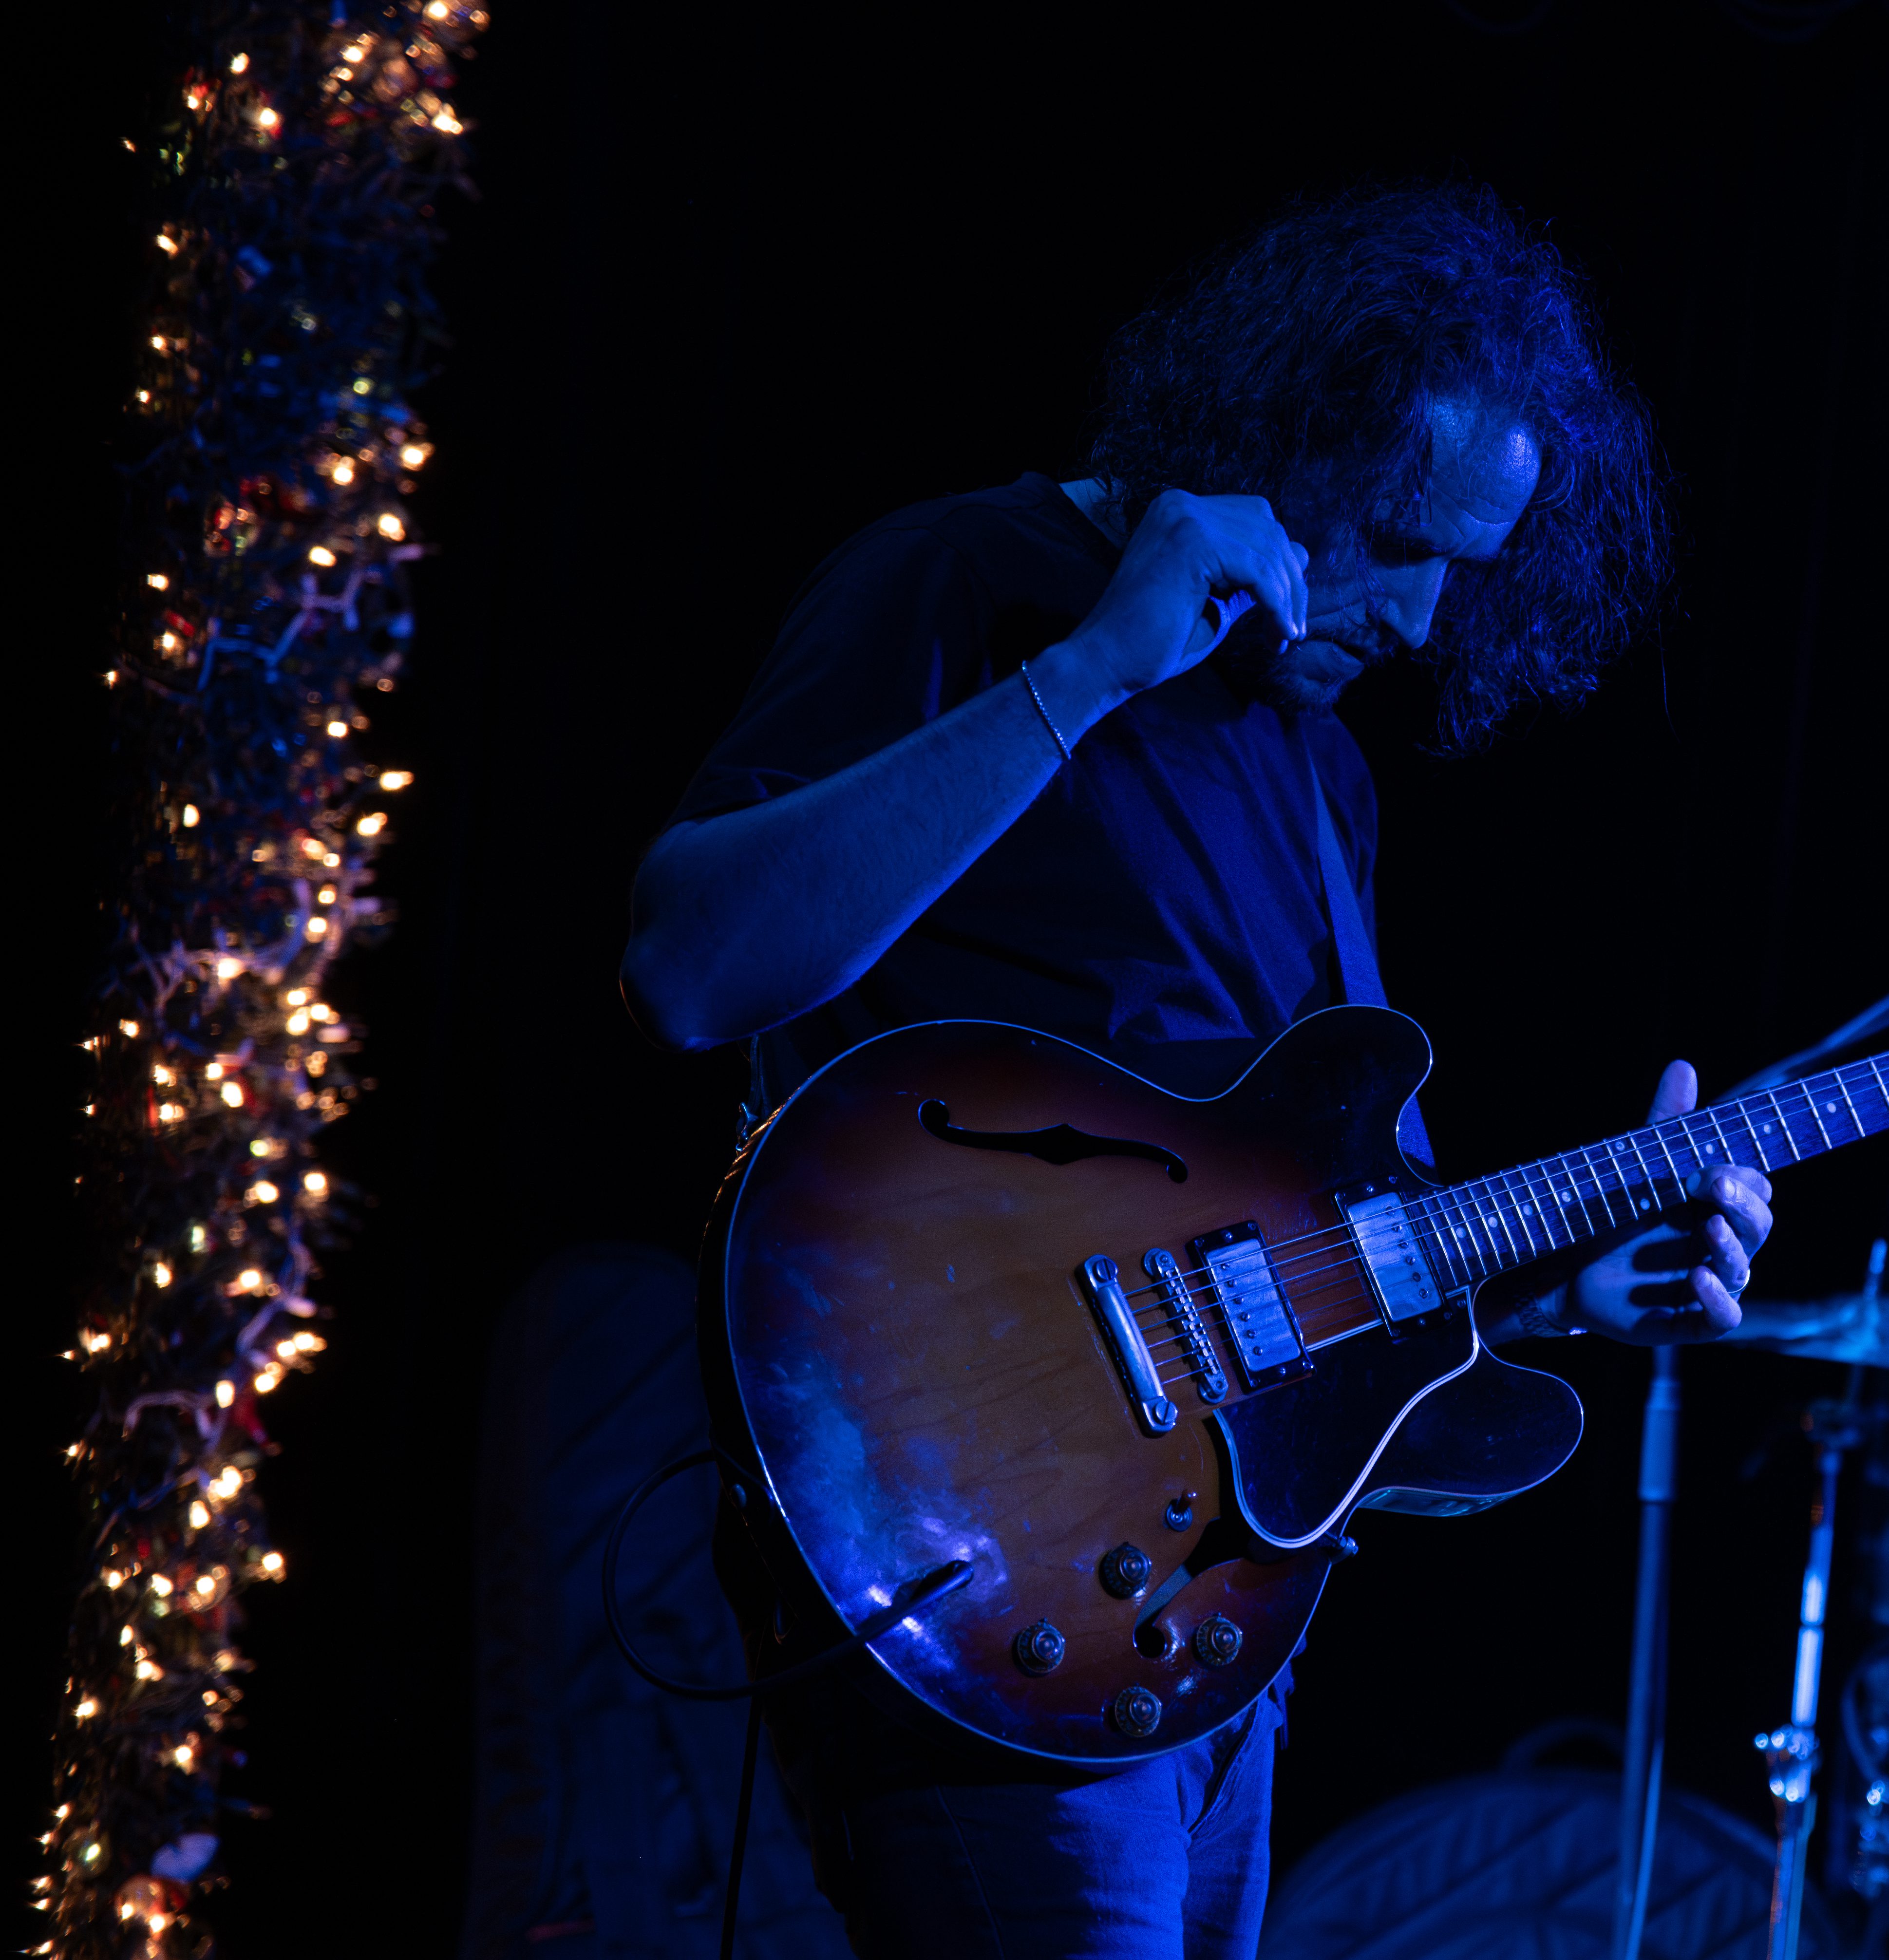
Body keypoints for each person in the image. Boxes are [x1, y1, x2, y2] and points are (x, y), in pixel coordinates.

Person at [617, 184, 1776, 1960]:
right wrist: (1091, 669)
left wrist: (1557, 1288)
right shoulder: (966, 580)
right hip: (981, 1537)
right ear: (1267, 429)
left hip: (1206, 1607)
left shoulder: (1324, 779)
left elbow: (1317, 1243)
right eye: (1397, 535)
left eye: (1466, 565)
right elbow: (691, 965)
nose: (1420, 612)